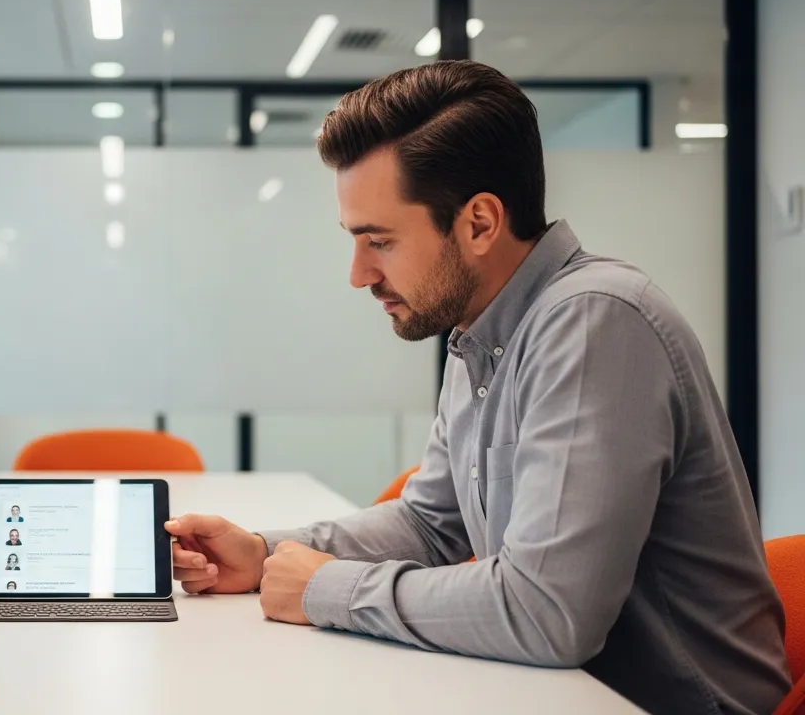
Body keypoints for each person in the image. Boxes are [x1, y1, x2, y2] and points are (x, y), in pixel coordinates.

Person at [166, 61, 789, 715]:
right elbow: (430, 523)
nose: (358, 274)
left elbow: (547, 612)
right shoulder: (481, 332)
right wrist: (263, 554)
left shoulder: (594, 323)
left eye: (380, 241)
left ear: (481, 223)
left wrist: (327, 588)